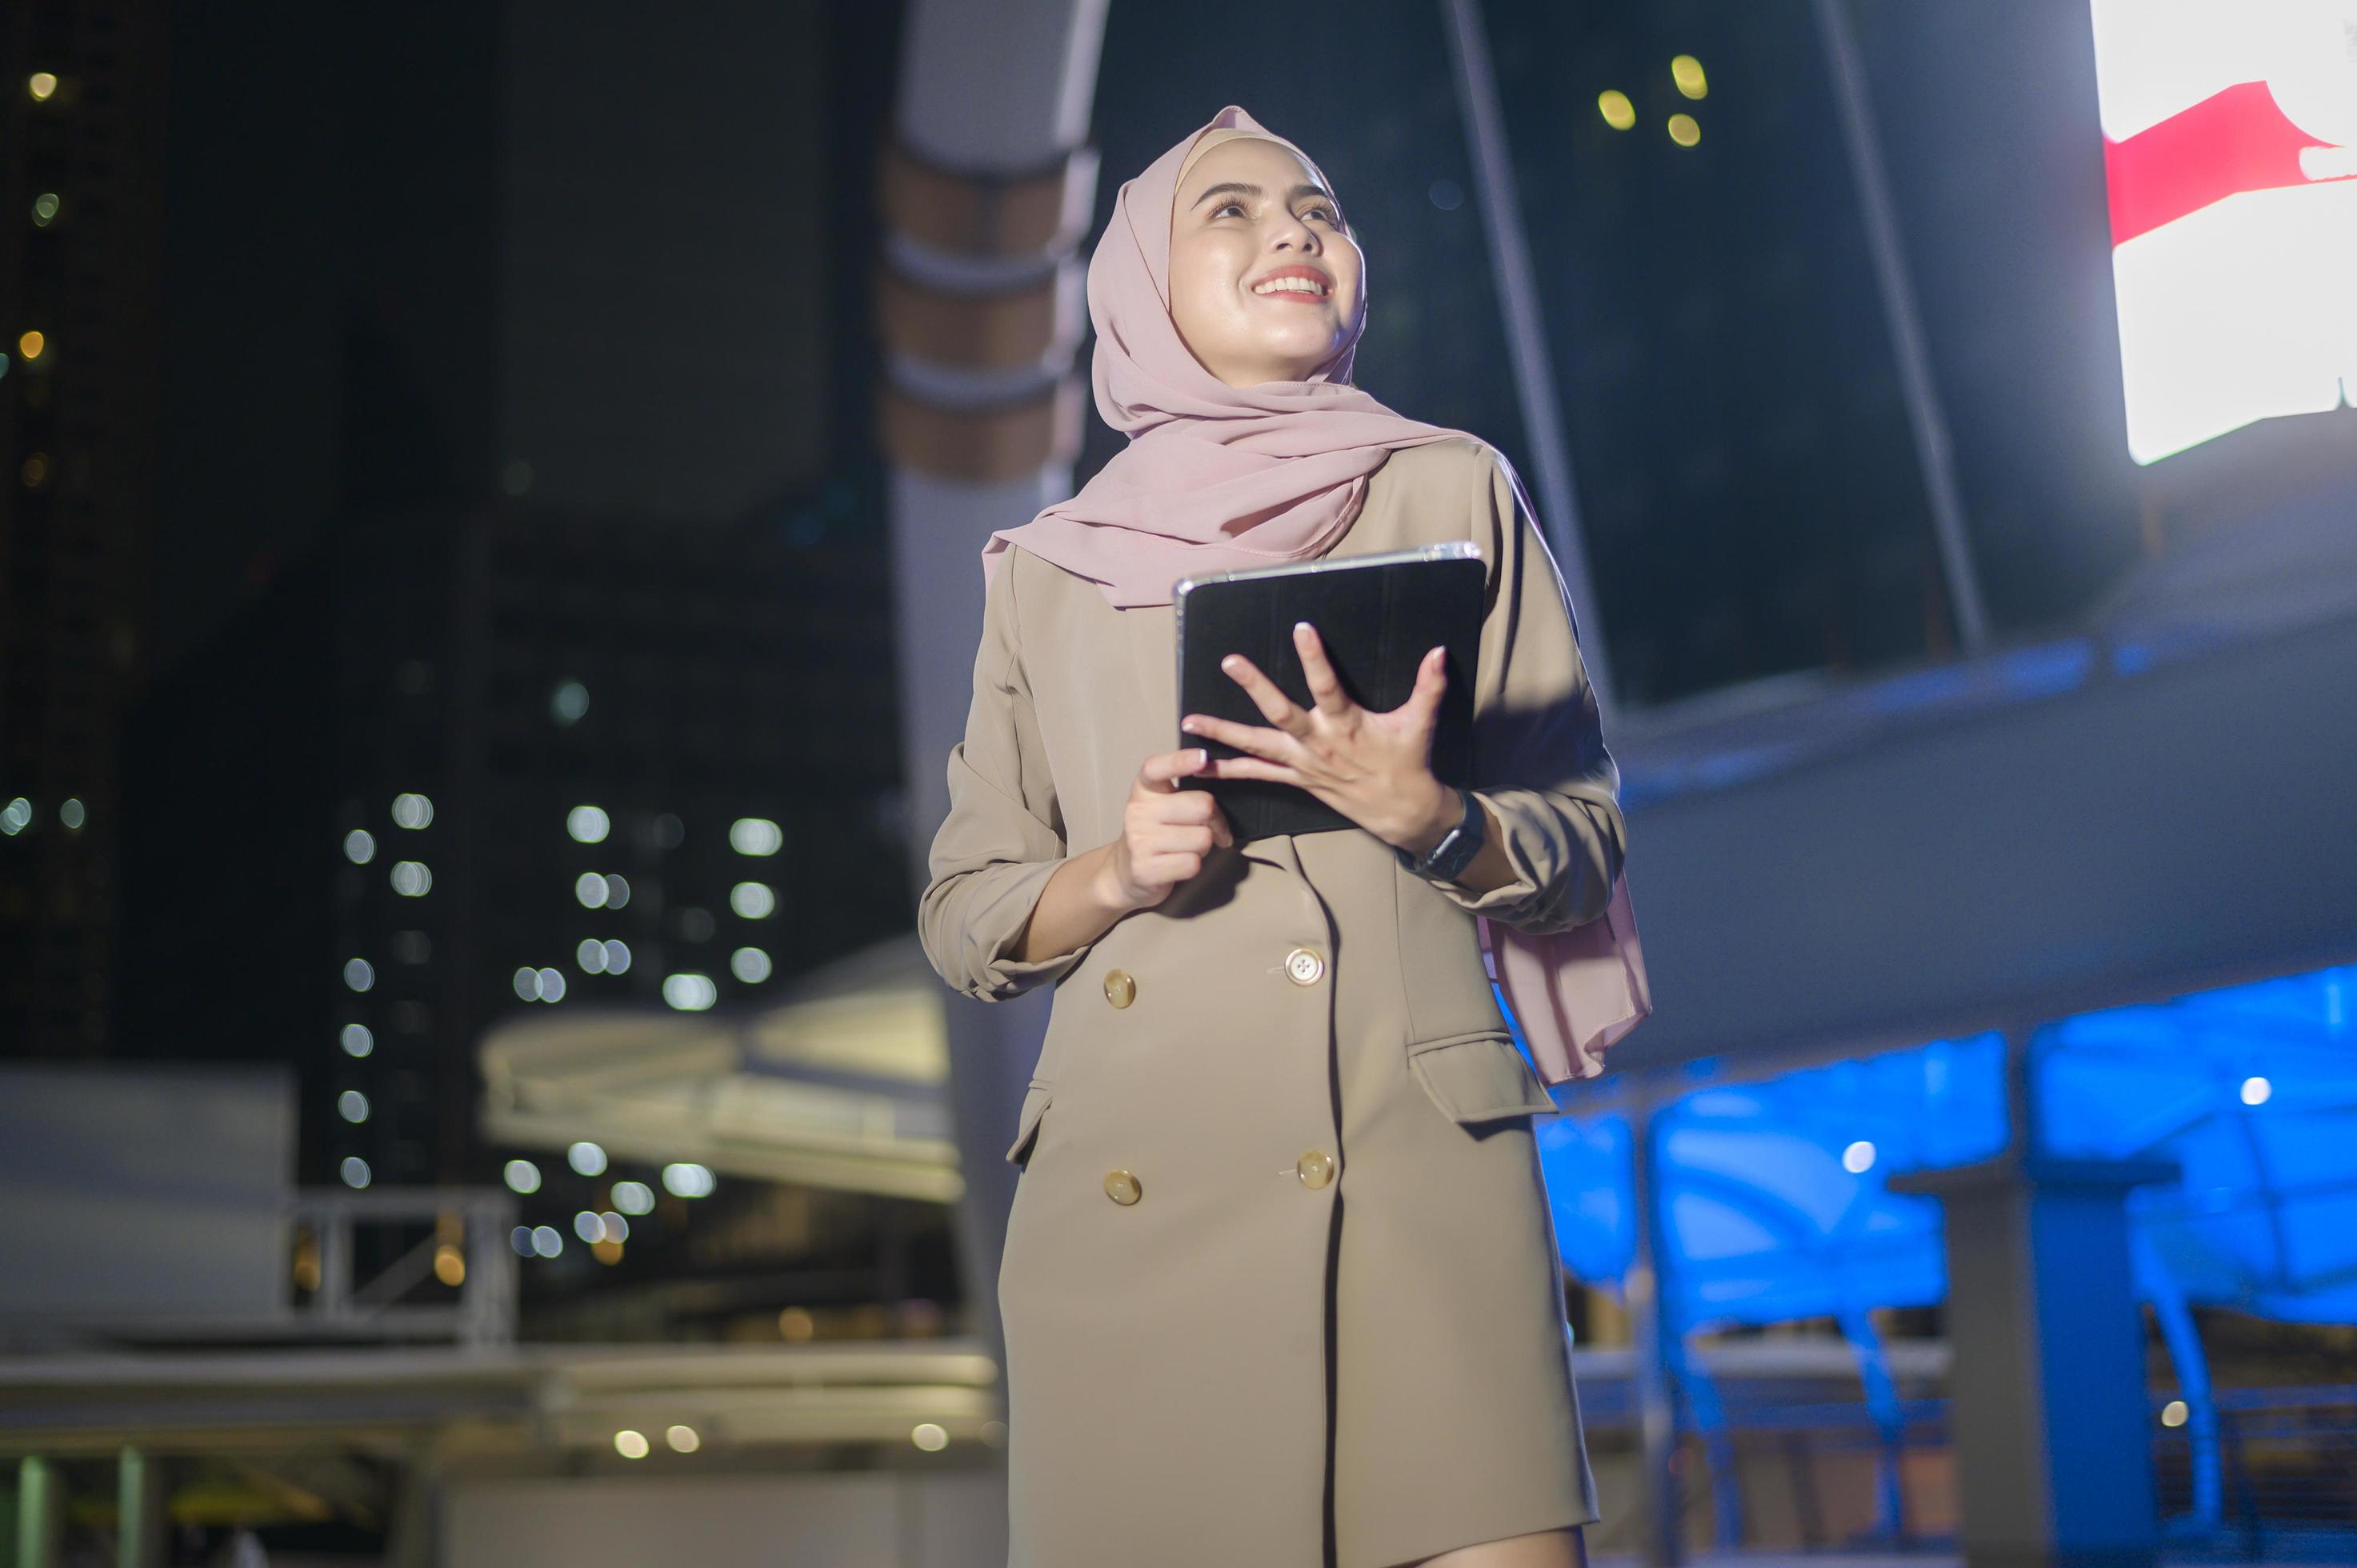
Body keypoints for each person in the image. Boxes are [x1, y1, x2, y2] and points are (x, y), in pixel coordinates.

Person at [918, 104, 1646, 1568]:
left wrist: (1429, 817)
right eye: (1232, 211)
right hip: (1137, 1196)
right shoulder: (1045, 575)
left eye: (1315, 207)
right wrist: (1114, 873)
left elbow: (1583, 837)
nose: (1293, 232)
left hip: (1412, 1169)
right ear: (1140, 288)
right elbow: (964, 911)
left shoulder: (1449, 486)